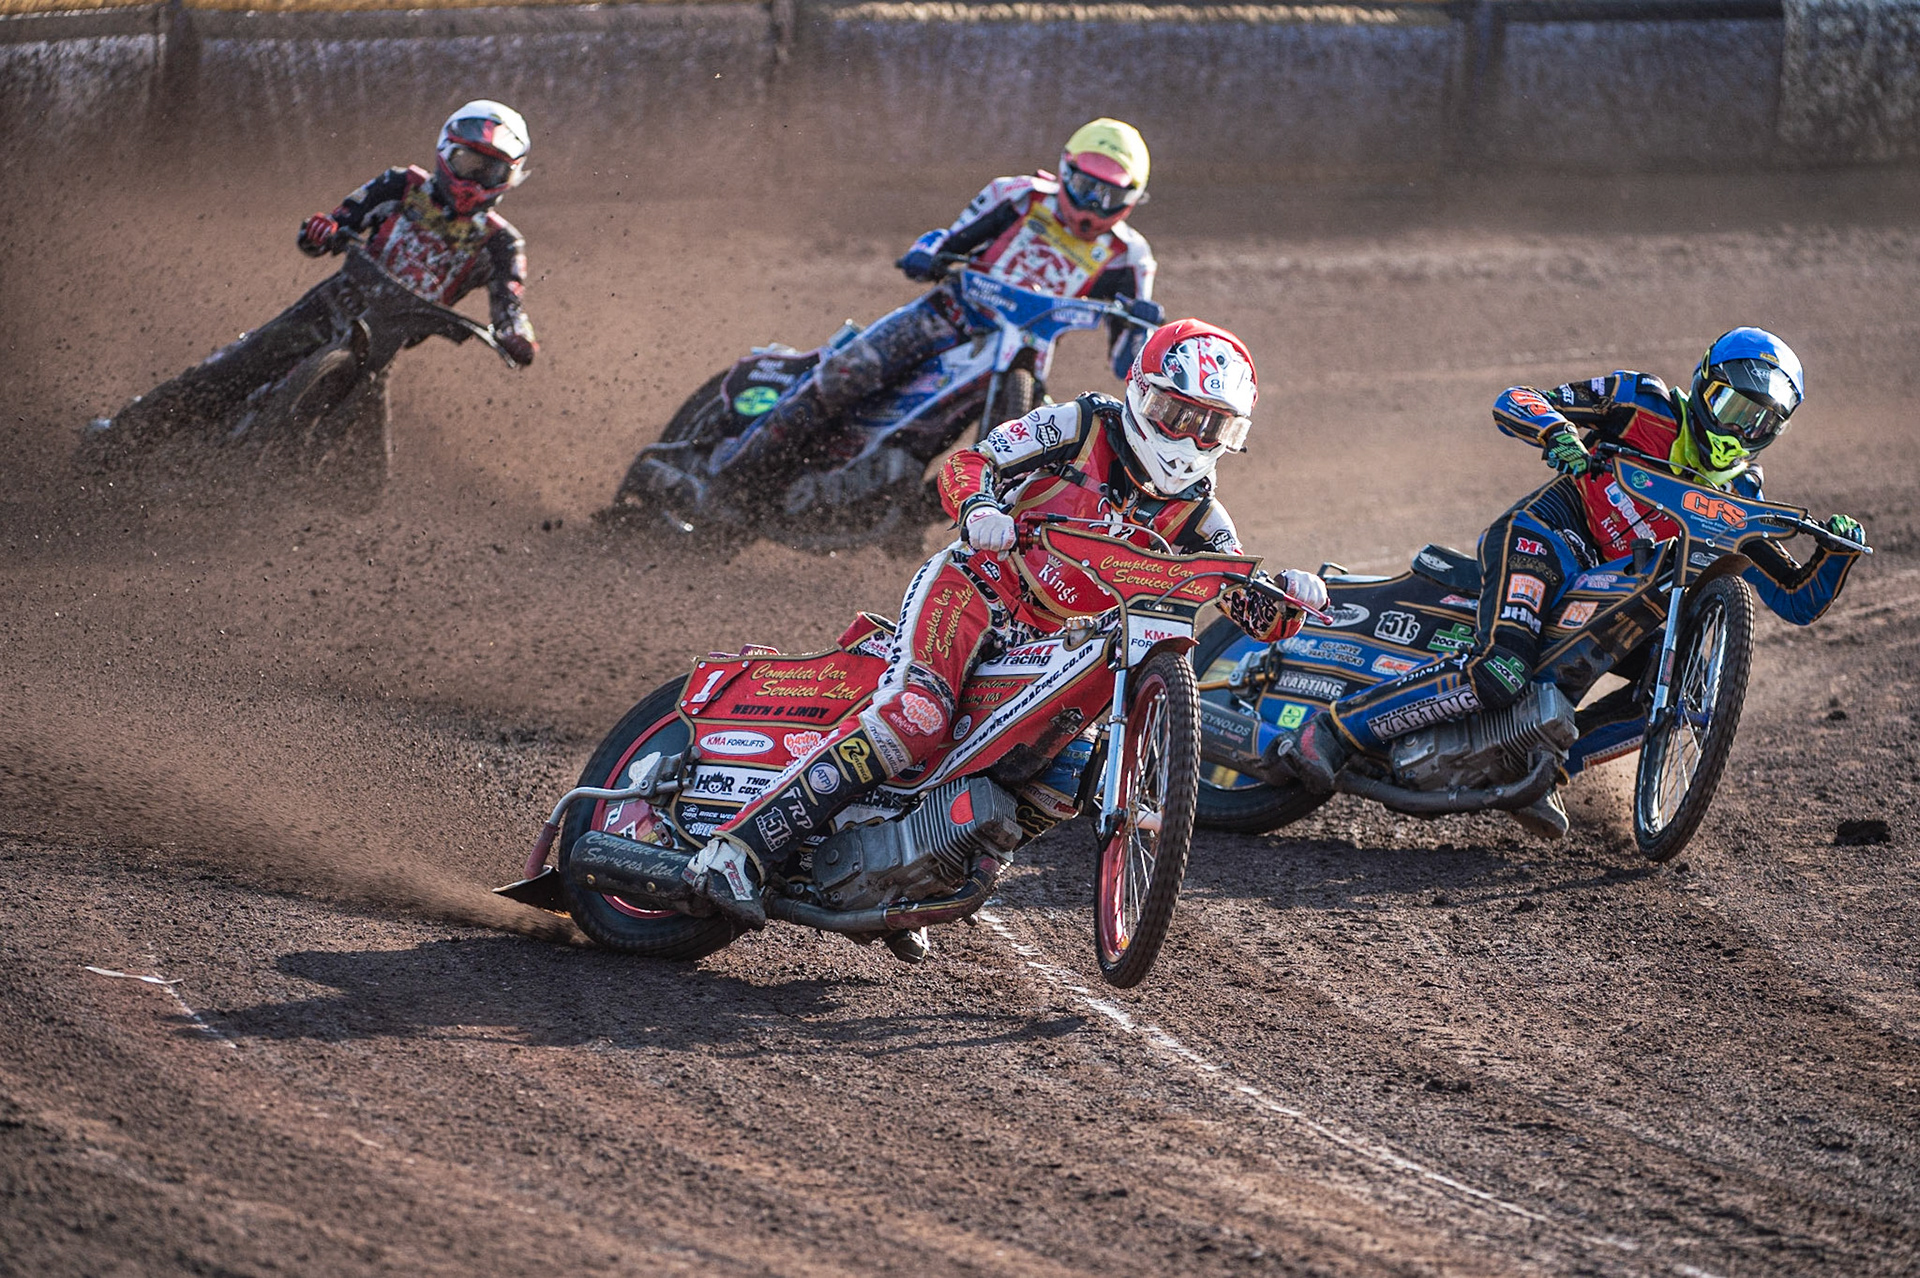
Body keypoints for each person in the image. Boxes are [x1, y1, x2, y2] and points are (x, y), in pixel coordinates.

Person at [681, 319, 1330, 927]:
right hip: (975, 590)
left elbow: (1246, 604)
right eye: (1176, 414)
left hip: (1058, 645)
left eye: (1210, 426)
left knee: (1062, 775)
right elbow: (972, 464)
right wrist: (980, 509)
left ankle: (906, 871)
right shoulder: (1081, 424)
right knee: (916, 718)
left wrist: (1288, 600)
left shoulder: (1202, 516)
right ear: (1139, 391)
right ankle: (739, 849)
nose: (1188, 437)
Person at [1278, 327, 1867, 836]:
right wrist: (1556, 432)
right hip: (1549, 537)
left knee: (1661, 701)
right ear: (1704, 385)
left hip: (1625, 594)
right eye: (1734, 407)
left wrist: (1835, 553)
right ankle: (1331, 732)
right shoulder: (1643, 401)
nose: (1741, 429)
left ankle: (1543, 767)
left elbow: (1794, 598)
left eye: (1760, 422)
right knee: (1499, 670)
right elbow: (1518, 398)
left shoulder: (1743, 499)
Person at [706, 118, 1163, 478]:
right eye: (1086, 188)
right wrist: (929, 255)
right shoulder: (1019, 196)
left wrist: (1142, 327)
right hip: (946, 317)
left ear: (1132, 199)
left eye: (1109, 196)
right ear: (1065, 171)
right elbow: (948, 239)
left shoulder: (1129, 258)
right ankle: (735, 469)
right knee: (848, 373)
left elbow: (1128, 365)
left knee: (1052, 446)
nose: (1091, 206)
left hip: (1023, 355)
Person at [99, 100, 537, 439]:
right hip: (331, 307)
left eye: (490, 170)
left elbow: (510, 300)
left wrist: (516, 335)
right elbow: (329, 228)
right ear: (446, 152)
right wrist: (323, 229)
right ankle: (123, 434)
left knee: (361, 481)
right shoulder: (400, 184)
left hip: (384, 345)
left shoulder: (501, 242)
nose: (474, 180)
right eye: (468, 163)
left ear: (510, 178)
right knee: (229, 371)